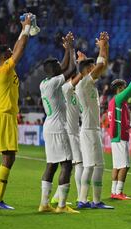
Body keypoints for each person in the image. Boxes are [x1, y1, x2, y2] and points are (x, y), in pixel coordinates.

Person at [0, 14, 32, 210]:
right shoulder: (4, 70)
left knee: (9, 156)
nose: (11, 52)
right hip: (5, 115)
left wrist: (24, 28)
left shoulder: (2, 69)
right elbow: (19, 50)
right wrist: (27, 29)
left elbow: (16, 48)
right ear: (4, 57)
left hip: (7, 116)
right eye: (8, 52)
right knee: (9, 157)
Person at [38, 31, 78, 213]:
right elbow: (71, 70)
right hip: (58, 128)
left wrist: (67, 49)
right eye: (56, 66)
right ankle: (62, 205)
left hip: (49, 127)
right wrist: (70, 48)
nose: (59, 66)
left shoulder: (45, 82)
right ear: (52, 70)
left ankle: (44, 204)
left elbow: (62, 67)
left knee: (51, 165)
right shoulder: (55, 83)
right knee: (66, 164)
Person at [75, 32, 113, 209]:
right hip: (89, 131)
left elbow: (102, 65)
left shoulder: (87, 83)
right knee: (91, 166)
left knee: (96, 166)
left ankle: (92, 200)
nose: (95, 69)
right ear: (87, 70)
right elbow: (101, 65)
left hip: (92, 130)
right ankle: (85, 200)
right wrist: (103, 47)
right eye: (91, 67)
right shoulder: (83, 84)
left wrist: (105, 47)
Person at [50, 51, 86, 205]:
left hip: (74, 132)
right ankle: (80, 197)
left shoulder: (74, 93)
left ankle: (57, 197)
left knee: (71, 167)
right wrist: (81, 64)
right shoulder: (65, 89)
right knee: (78, 164)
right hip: (69, 133)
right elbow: (80, 77)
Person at [108, 63, 131, 200]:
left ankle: (114, 191)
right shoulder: (118, 99)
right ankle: (118, 192)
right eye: (123, 87)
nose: (125, 89)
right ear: (119, 89)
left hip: (115, 137)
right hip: (120, 136)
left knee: (117, 166)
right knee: (125, 165)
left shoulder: (115, 102)